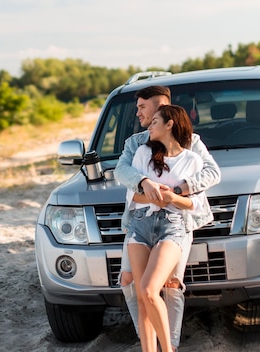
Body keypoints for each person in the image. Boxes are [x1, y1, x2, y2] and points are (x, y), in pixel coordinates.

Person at [115, 85, 221, 351]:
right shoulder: (137, 145)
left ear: (161, 107)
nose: (138, 113)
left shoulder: (192, 146)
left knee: (170, 285)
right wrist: (144, 184)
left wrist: (175, 192)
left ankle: (169, 345)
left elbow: (211, 175)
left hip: (178, 224)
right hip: (139, 223)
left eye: (142, 107)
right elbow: (123, 174)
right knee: (132, 284)